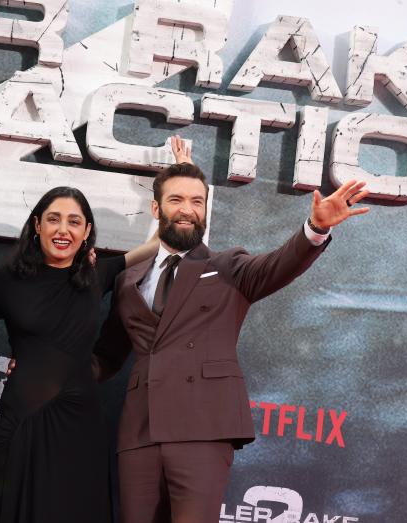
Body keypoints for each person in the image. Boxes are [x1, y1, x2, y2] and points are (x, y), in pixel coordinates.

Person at [92, 162, 370, 523]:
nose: (187, 209)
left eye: (197, 201)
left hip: (202, 430)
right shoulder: (128, 281)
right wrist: (49, 372)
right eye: (176, 199)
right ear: (156, 209)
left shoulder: (227, 267)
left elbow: (277, 265)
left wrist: (314, 230)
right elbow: (106, 356)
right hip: (139, 433)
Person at [0, 138, 193, 523]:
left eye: (74, 221)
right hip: (19, 422)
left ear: (87, 231)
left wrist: (181, 176)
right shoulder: (3, 281)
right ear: (37, 225)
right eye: (54, 219)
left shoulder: (98, 276)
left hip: (79, 425)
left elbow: (161, 240)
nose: (63, 230)